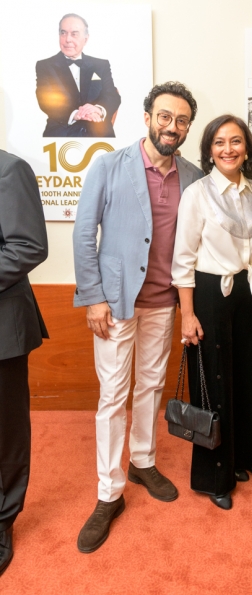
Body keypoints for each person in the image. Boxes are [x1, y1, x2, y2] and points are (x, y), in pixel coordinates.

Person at [73, 82, 202, 553]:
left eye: (182, 120)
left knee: (150, 386)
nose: (172, 126)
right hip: (115, 303)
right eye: (165, 116)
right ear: (147, 117)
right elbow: (84, 233)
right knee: (113, 395)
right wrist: (93, 297)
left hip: (164, 302)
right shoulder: (109, 165)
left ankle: (143, 461)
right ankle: (109, 492)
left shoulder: (193, 176)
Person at [171, 115, 252, 511]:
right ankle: (214, 477)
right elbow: (183, 260)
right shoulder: (196, 193)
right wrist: (187, 315)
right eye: (219, 142)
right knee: (213, 385)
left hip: (249, 293)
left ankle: (240, 459)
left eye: (235, 141)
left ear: (247, 148)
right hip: (210, 294)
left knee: (246, 377)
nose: (228, 149)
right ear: (209, 150)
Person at [0, 151, 48, 575]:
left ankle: (2, 520)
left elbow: (28, 246)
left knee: (6, 433)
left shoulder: (9, 169)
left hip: (2, 331)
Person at [36, 13, 121, 138]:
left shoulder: (101, 65)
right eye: (63, 33)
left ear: (85, 39)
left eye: (74, 34)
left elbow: (112, 95)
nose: (67, 39)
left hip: (99, 135)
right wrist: (75, 114)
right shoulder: (45, 66)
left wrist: (98, 109)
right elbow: (45, 99)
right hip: (60, 135)